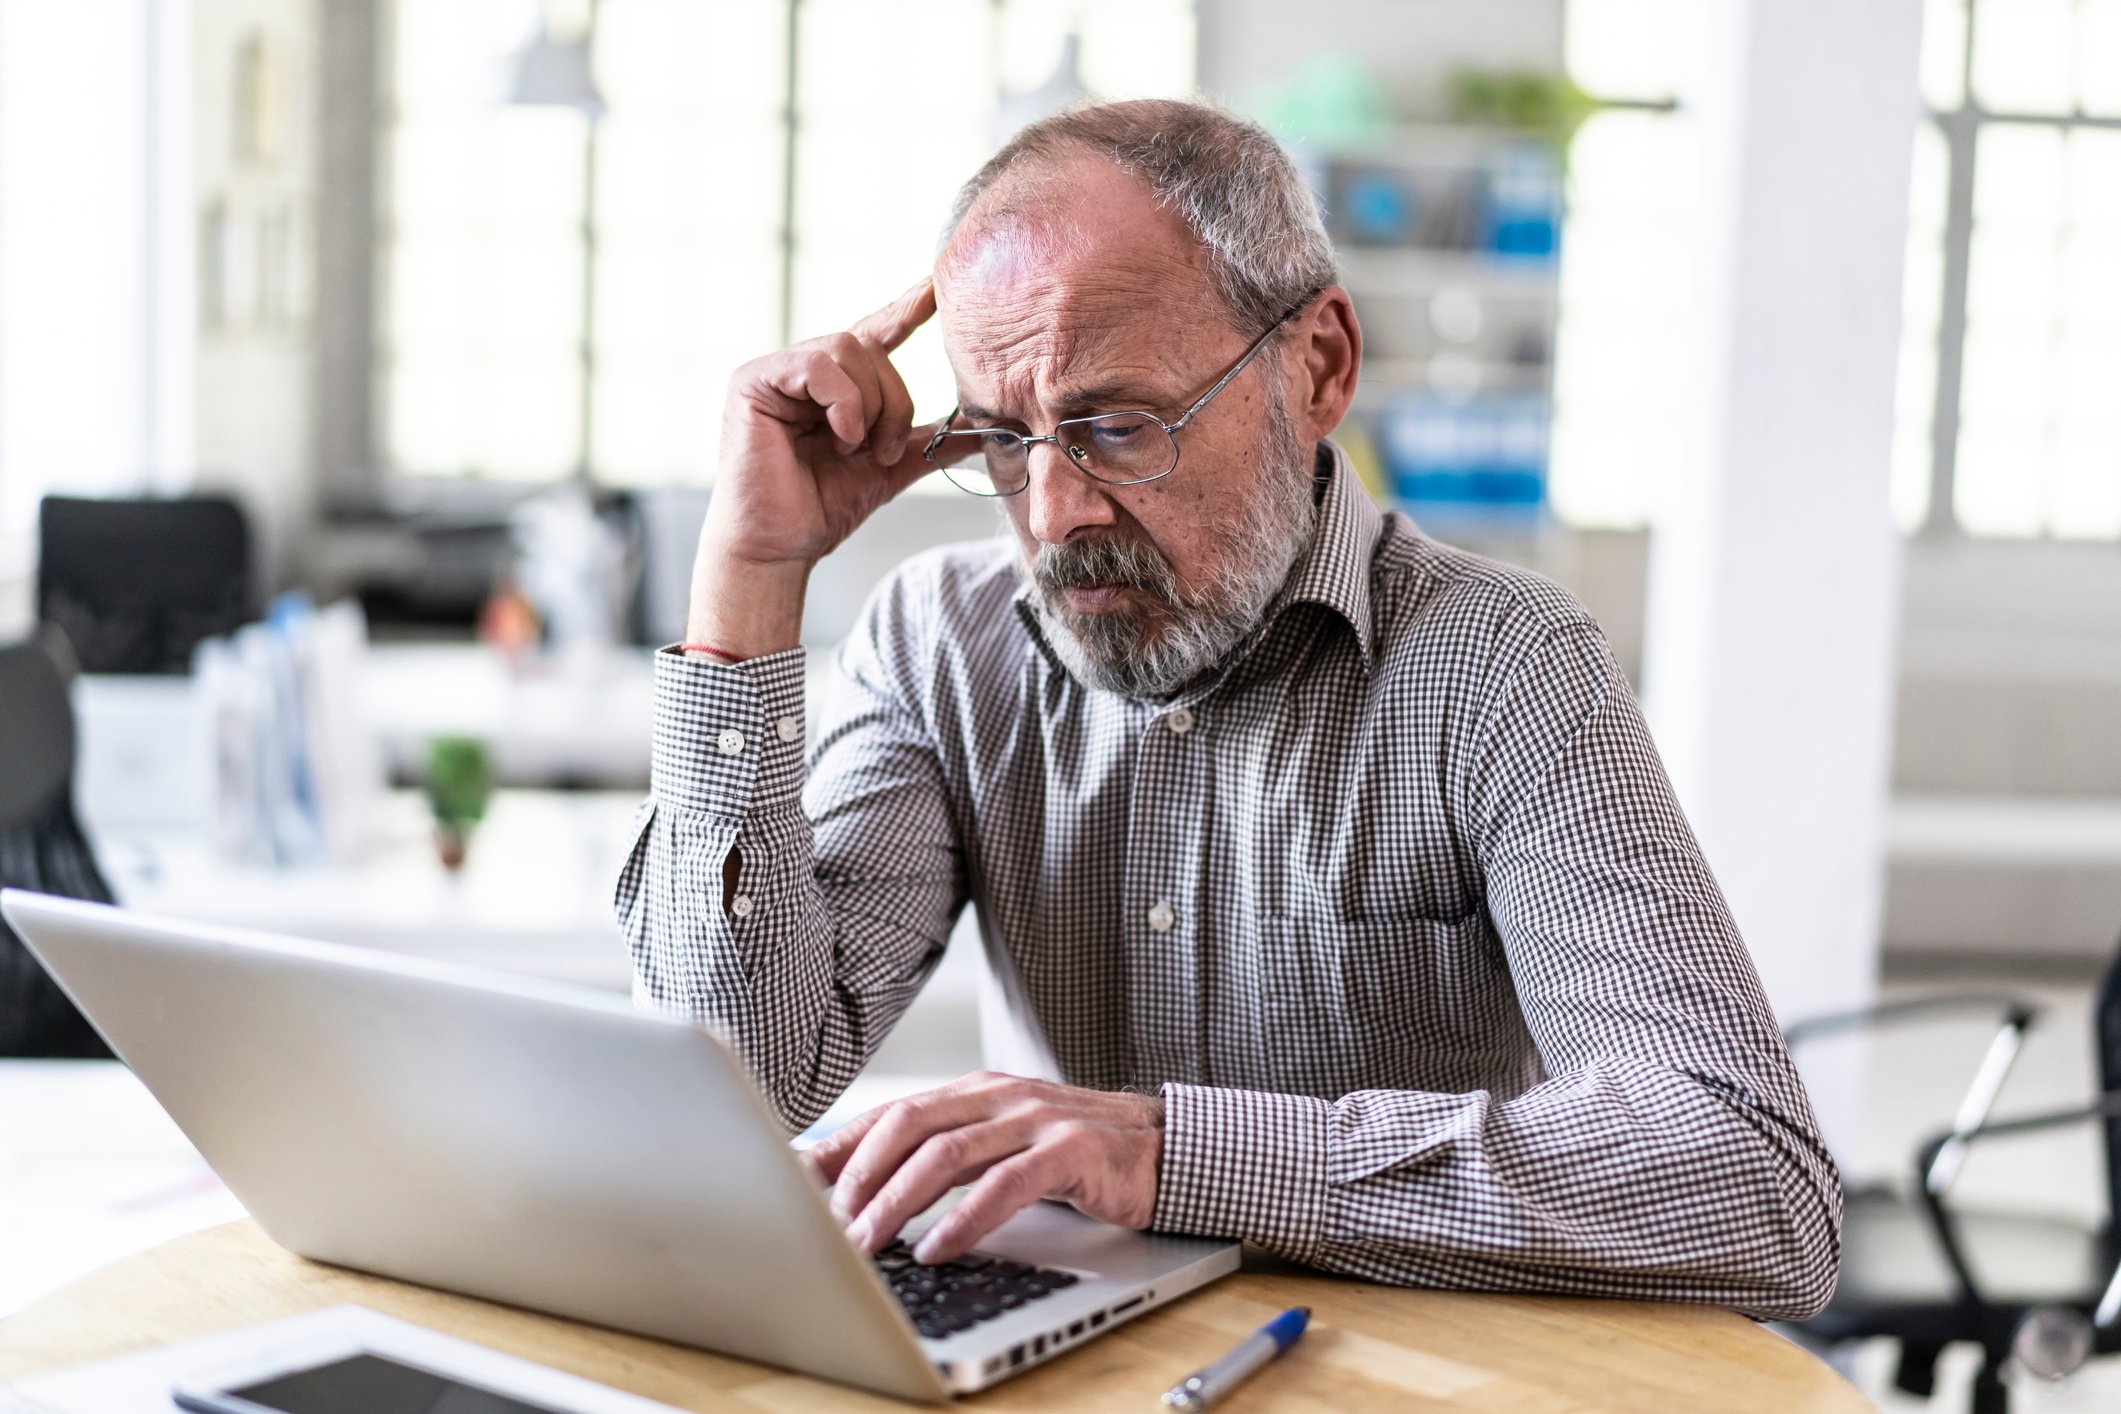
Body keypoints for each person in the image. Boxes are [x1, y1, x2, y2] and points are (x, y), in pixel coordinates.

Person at [616, 99, 1839, 1320]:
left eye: (1116, 427)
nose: (1053, 514)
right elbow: (730, 1081)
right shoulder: (941, 645)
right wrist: (751, 578)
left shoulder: (1502, 669)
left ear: (1320, 367)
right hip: (1058, 1369)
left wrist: (1172, 1156)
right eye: (1002, 439)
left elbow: (1752, 1180)